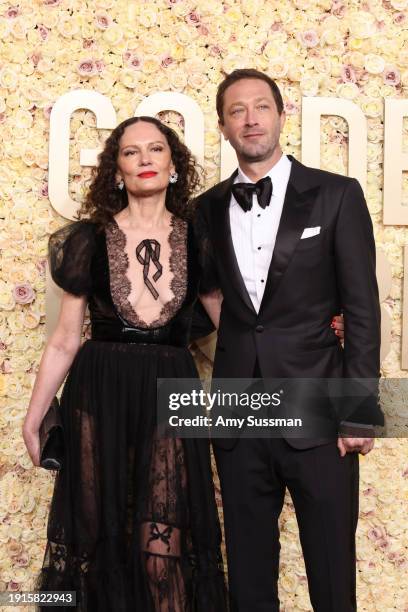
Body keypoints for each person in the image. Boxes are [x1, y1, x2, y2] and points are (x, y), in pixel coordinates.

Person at [196, 69, 383, 611]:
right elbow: (208, 302)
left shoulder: (336, 195)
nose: (251, 119)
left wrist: (359, 412)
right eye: (237, 110)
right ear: (224, 126)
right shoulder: (205, 209)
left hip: (320, 414)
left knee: (330, 573)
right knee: (249, 581)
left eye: (261, 107)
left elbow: (362, 308)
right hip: (239, 416)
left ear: (281, 115)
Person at [22, 116, 227, 612]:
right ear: (117, 171)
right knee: (95, 535)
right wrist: (35, 416)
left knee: (164, 544)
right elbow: (65, 340)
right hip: (99, 388)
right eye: (131, 152)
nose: (145, 160)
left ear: (173, 165)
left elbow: (236, 335)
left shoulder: (200, 239)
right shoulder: (88, 240)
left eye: (156, 150)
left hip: (171, 389)